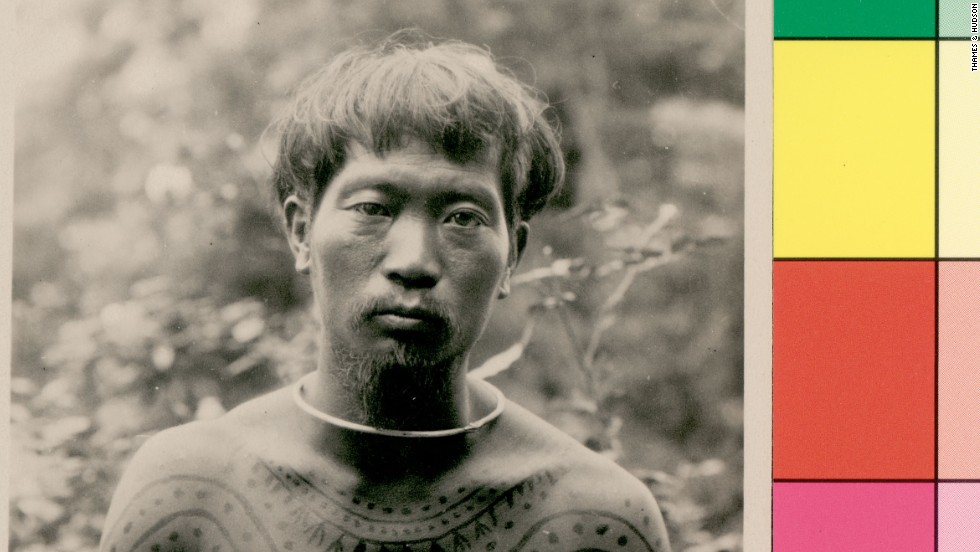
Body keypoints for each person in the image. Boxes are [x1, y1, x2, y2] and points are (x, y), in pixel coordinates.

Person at [100, 33, 671, 552]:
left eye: (463, 218)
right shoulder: (185, 494)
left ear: (512, 257)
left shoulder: (593, 517)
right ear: (301, 232)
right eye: (372, 209)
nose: (414, 262)